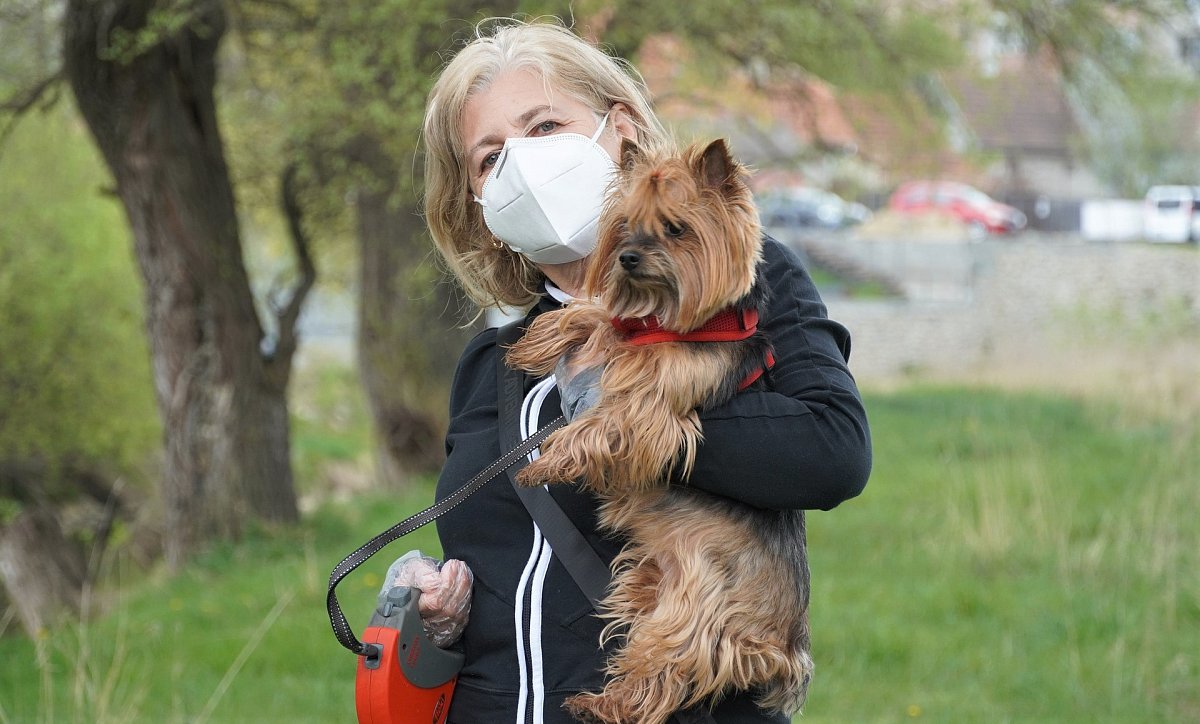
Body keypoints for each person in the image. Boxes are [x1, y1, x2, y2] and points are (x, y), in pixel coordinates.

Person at [401, 19, 871, 724]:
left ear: (618, 126)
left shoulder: (750, 292)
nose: (523, 165)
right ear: (475, 199)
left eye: (546, 125)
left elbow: (834, 454)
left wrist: (634, 418)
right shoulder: (492, 362)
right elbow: (499, 567)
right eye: (490, 157)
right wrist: (438, 613)